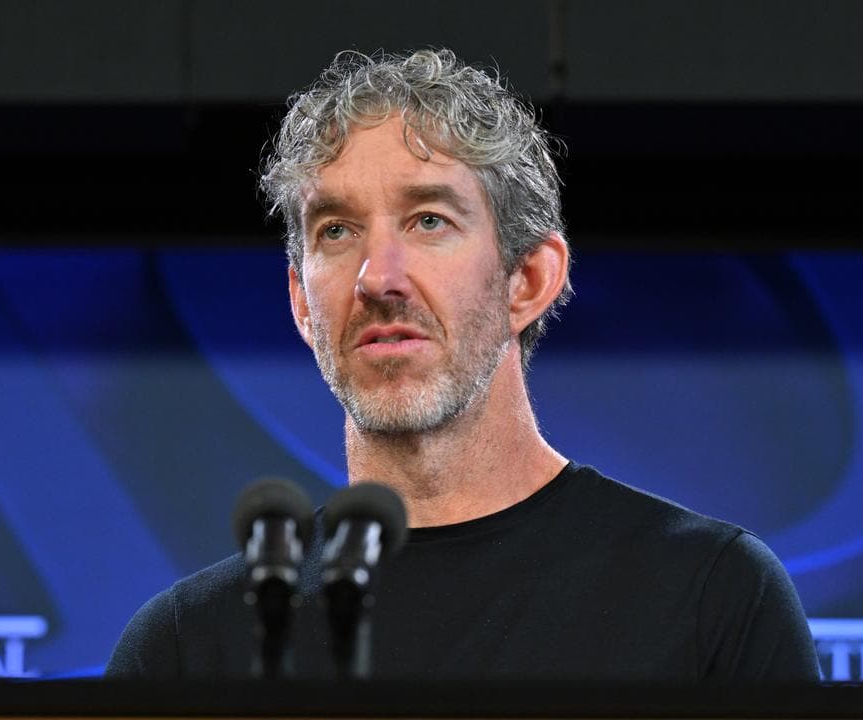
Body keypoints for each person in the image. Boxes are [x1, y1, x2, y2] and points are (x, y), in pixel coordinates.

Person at [106, 48, 820, 683]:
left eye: (428, 222)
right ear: (300, 303)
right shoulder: (186, 650)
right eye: (337, 230)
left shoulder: (710, 597)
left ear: (528, 281)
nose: (376, 278)